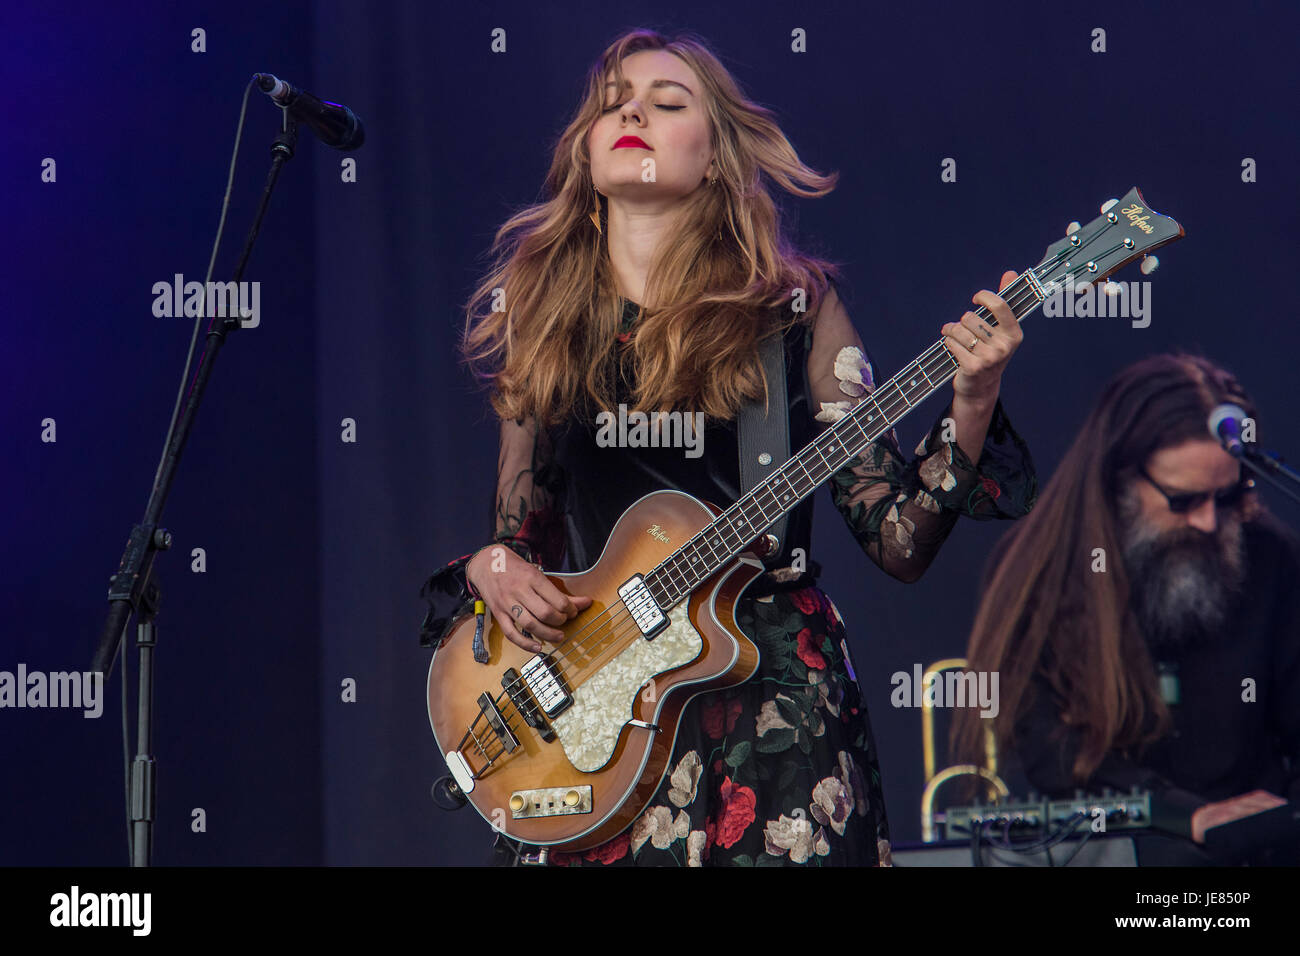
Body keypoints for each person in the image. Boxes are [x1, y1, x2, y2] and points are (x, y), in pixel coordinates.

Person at [419, 28, 1037, 867]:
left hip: (773, 712)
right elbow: (525, 536)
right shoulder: (543, 316)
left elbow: (898, 539)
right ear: (588, 149)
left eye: (668, 103)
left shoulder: (794, 311)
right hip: (606, 708)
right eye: (614, 102)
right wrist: (495, 570)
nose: (632, 109)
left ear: (714, 158)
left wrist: (973, 397)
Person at [952, 352, 1300, 865]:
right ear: (1119, 477)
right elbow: (1052, 753)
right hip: (1125, 849)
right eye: (1183, 501)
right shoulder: (1041, 567)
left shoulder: (1270, 554)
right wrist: (1186, 815)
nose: (1208, 521)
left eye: (1226, 496)